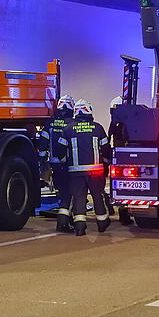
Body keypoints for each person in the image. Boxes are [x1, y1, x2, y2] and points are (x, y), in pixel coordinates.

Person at [55, 99, 111, 236]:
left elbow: (60, 150)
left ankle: (80, 227)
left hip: (75, 172)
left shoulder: (67, 130)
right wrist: (106, 163)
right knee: (97, 196)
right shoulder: (97, 128)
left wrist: (64, 163)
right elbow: (106, 148)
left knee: (79, 197)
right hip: (95, 171)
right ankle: (102, 223)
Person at [36, 95, 76, 231]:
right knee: (70, 192)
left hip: (55, 165)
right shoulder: (72, 123)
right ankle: (66, 220)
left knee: (62, 191)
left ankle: (65, 216)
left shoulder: (50, 123)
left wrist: (43, 160)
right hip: (70, 165)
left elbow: (43, 142)